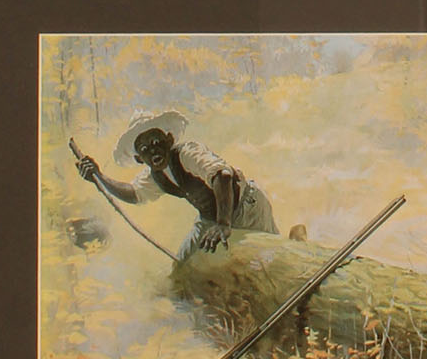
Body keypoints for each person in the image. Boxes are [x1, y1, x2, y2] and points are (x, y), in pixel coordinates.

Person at [74, 109, 278, 258]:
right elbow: (134, 193)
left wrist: (223, 224)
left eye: (156, 142)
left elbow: (223, 175)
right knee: (183, 264)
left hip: (245, 206)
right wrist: (99, 176)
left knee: (271, 254)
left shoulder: (187, 153)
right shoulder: (155, 176)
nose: (153, 150)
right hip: (210, 219)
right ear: (139, 159)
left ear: (169, 140)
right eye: (144, 149)